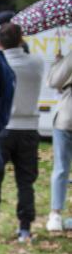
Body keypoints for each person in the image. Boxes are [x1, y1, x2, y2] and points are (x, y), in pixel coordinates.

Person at [0, 23, 45, 242]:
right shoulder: (37, 63)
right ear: (22, 39)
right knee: (25, 181)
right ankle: (25, 228)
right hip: (29, 129)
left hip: (2, 130)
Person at [47, 47, 72, 232]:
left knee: (61, 167)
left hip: (68, 116)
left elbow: (54, 81)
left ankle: (55, 214)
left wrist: (58, 62)